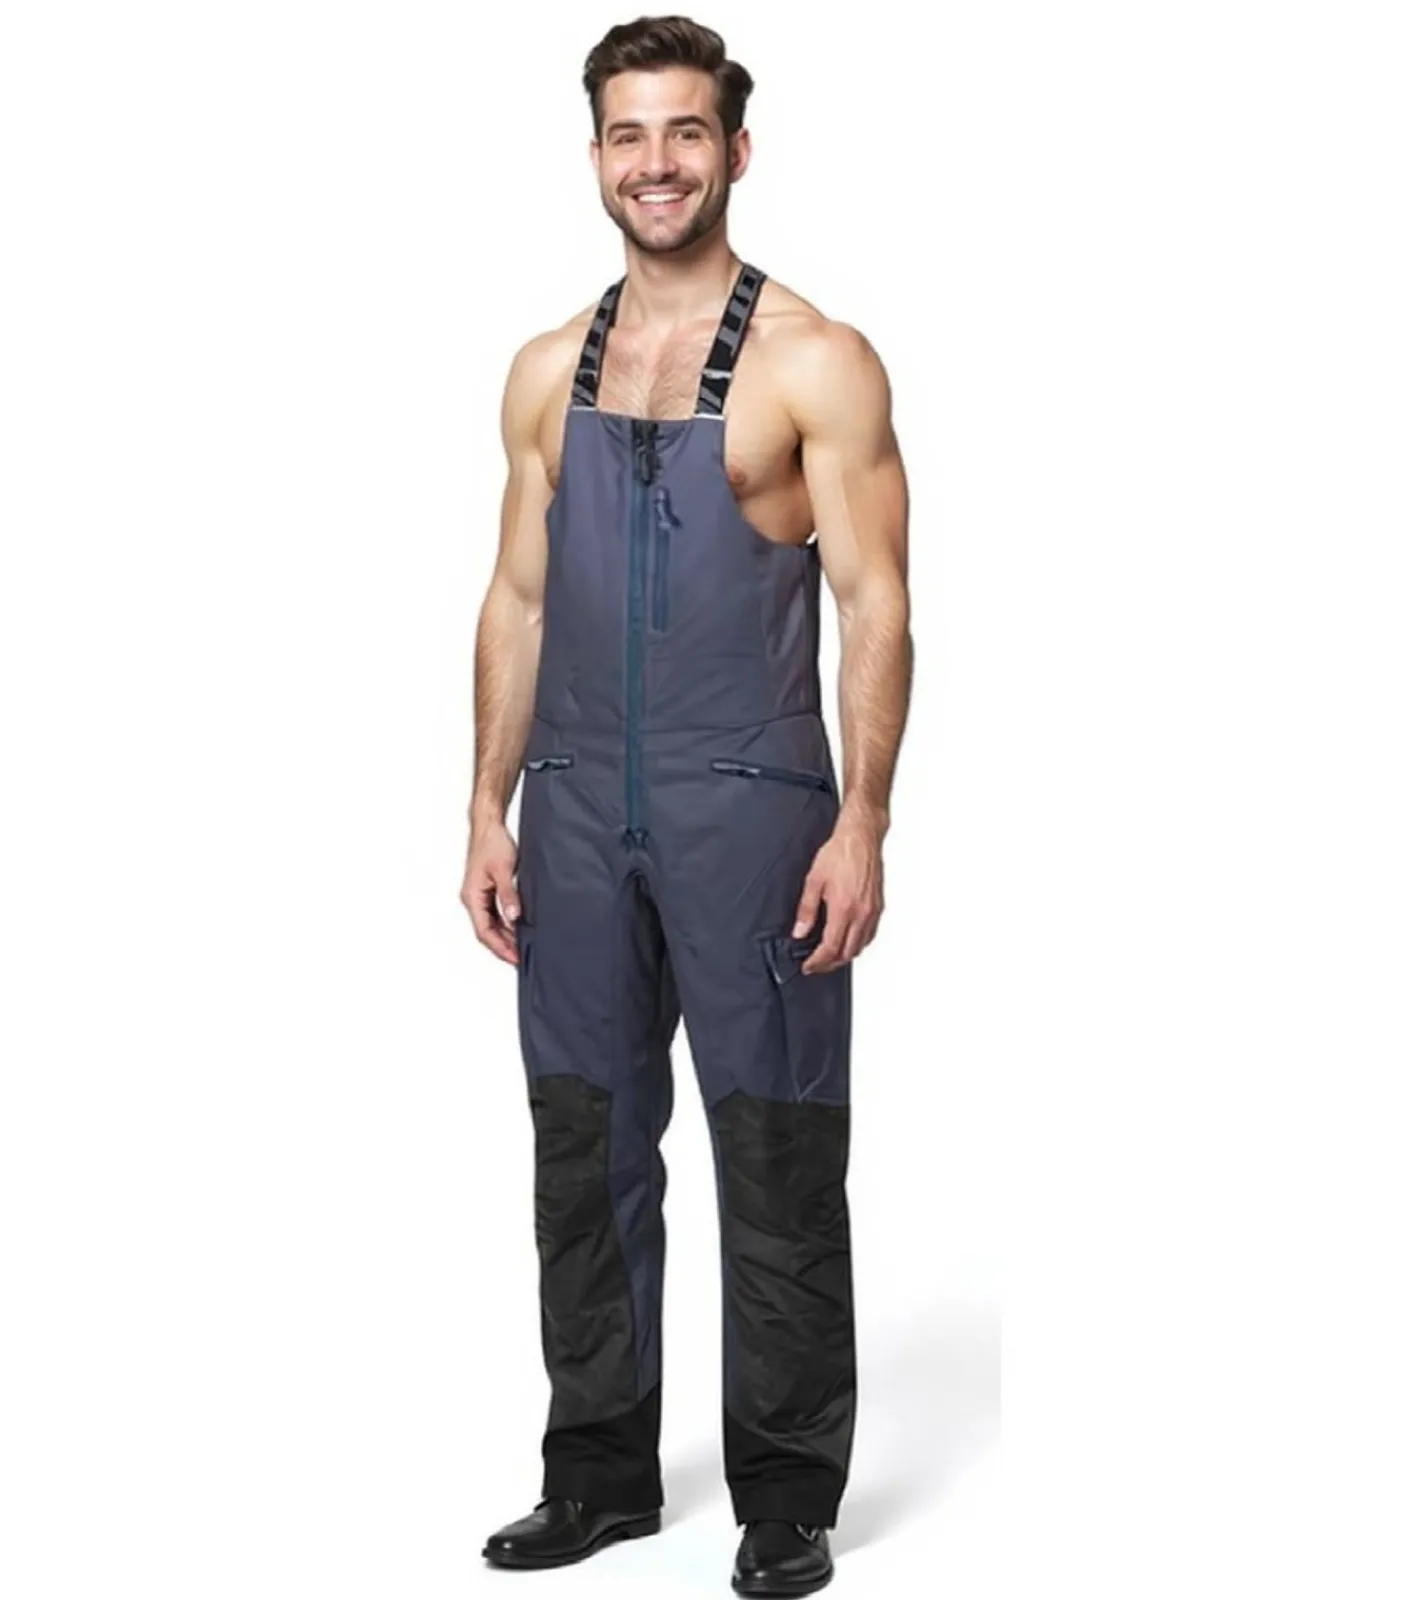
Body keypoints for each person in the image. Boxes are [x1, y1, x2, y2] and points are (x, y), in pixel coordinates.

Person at [461, 15, 912, 1596]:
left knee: (774, 1147)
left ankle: (784, 1494)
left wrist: (861, 822)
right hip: (577, 803)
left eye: (684, 131)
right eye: (627, 134)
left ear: (734, 148)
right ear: (596, 154)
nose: (655, 162)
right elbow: (518, 598)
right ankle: (595, 1474)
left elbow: (875, 602)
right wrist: (486, 806)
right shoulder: (545, 369)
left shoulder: (813, 360)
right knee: (580, 1148)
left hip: (753, 804)